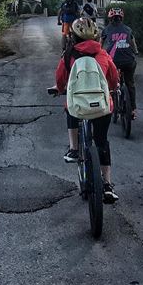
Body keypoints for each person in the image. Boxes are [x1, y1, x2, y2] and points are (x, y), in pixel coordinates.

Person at [54, 17, 120, 203]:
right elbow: (113, 77)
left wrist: (60, 90)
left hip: (78, 106)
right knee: (101, 142)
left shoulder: (68, 55)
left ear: (73, 37)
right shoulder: (103, 54)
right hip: (101, 106)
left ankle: (74, 149)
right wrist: (113, 88)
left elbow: (60, 78)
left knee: (70, 107)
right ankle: (107, 184)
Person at [101, 7, 139, 120]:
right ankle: (132, 109)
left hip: (112, 61)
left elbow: (100, 45)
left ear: (110, 18)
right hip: (128, 61)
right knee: (130, 83)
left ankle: (109, 104)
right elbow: (133, 44)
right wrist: (136, 52)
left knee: (108, 83)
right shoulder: (128, 29)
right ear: (121, 18)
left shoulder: (106, 30)